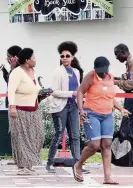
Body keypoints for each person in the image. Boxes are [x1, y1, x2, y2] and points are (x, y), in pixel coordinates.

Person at [74, 56, 130, 184]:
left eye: (104, 70)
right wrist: (81, 110)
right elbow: (80, 92)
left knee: (107, 145)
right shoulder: (90, 76)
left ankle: (107, 177)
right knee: (94, 145)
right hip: (91, 113)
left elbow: (110, 97)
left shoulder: (110, 77)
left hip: (107, 115)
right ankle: (78, 164)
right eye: (99, 70)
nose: (102, 73)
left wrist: (120, 108)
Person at [47, 41, 83, 173]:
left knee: (75, 135)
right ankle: (50, 162)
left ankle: (78, 164)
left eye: (67, 56)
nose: (65, 58)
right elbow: (54, 91)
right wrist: (71, 93)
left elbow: (79, 90)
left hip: (73, 106)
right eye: (62, 56)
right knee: (59, 134)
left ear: (72, 57)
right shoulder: (58, 71)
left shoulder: (76, 72)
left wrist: (80, 107)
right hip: (61, 107)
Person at [8, 48, 44, 175]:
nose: (35, 60)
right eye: (33, 58)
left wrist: (43, 92)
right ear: (27, 60)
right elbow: (11, 91)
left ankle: (29, 163)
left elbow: (35, 87)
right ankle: (22, 166)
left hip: (33, 109)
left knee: (37, 136)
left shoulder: (33, 71)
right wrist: (12, 107)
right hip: (19, 110)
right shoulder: (17, 72)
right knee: (22, 138)